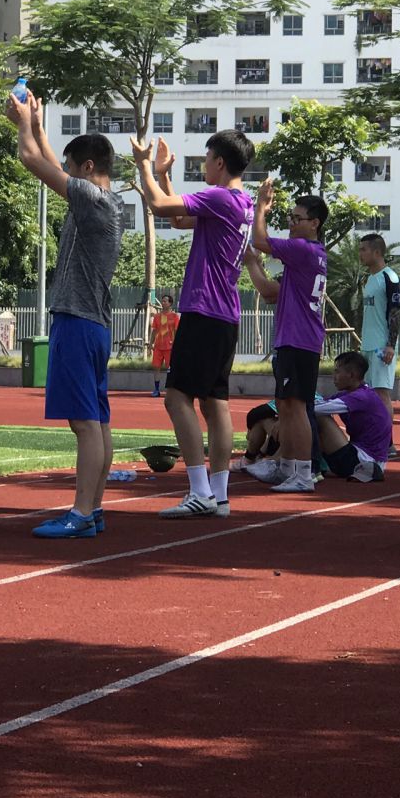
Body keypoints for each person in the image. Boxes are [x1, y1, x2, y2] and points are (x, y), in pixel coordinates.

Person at [7, 91, 126, 538]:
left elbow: (31, 161)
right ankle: (93, 510)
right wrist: (38, 125)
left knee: (84, 423)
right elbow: (52, 163)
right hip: (93, 323)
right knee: (98, 421)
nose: (67, 175)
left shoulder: (92, 200)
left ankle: (80, 513)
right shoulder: (106, 200)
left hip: (77, 320)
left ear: (89, 168)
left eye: (74, 169)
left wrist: (22, 124)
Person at [131, 130, 255, 519]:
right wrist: (164, 174)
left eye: (206, 159)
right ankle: (219, 496)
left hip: (204, 311)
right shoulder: (243, 202)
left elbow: (158, 206)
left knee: (176, 398)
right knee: (215, 403)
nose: (203, 167)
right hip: (225, 315)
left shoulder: (220, 197)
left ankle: (200, 490)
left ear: (219, 162)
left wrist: (144, 165)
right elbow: (182, 218)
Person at [249, 179, 329, 492]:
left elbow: (260, 240)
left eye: (297, 218)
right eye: (291, 218)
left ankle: (304, 472)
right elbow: (271, 292)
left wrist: (261, 206)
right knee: (286, 406)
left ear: (314, 223)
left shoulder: (302, 249)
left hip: (298, 339)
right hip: (298, 338)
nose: (292, 223)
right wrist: (253, 264)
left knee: (296, 408)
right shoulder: (311, 254)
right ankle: (288, 467)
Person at [312, 351, 393, 483]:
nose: (334, 376)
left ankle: (299, 464)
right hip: (356, 455)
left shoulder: (362, 397)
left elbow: (315, 408)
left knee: (320, 418)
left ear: (351, 375)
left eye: (337, 372)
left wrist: (289, 408)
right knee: (286, 418)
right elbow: (321, 402)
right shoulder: (348, 394)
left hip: (365, 461)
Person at [357, 233, 400, 431]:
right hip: (367, 345)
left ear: (376, 252)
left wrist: (390, 345)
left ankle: (386, 440)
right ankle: (371, 436)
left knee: (381, 393)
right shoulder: (369, 279)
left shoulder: (389, 277)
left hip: (381, 347)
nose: (360, 254)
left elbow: (395, 312)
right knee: (367, 394)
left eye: (363, 250)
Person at [149, 292, 179, 398]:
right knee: (156, 368)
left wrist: (177, 345)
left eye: (165, 301)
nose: (163, 303)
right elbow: (154, 331)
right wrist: (151, 343)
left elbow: (177, 331)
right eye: (162, 301)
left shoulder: (175, 316)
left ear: (170, 303)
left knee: (170, 369)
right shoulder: (157, 316)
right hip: (158, 346)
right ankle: (156, 390)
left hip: (170, 347)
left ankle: (170, 391)